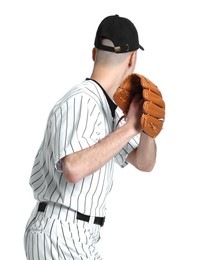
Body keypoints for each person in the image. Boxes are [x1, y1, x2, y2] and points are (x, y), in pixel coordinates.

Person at [24, 14, 157, 260]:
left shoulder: (111, 109)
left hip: (77, 234)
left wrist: (146, 129)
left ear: (94, 53)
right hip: (61, 231)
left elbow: (144, 163)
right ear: (133, 59)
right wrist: (129, 128)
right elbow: (73, 168)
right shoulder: (82, 100)